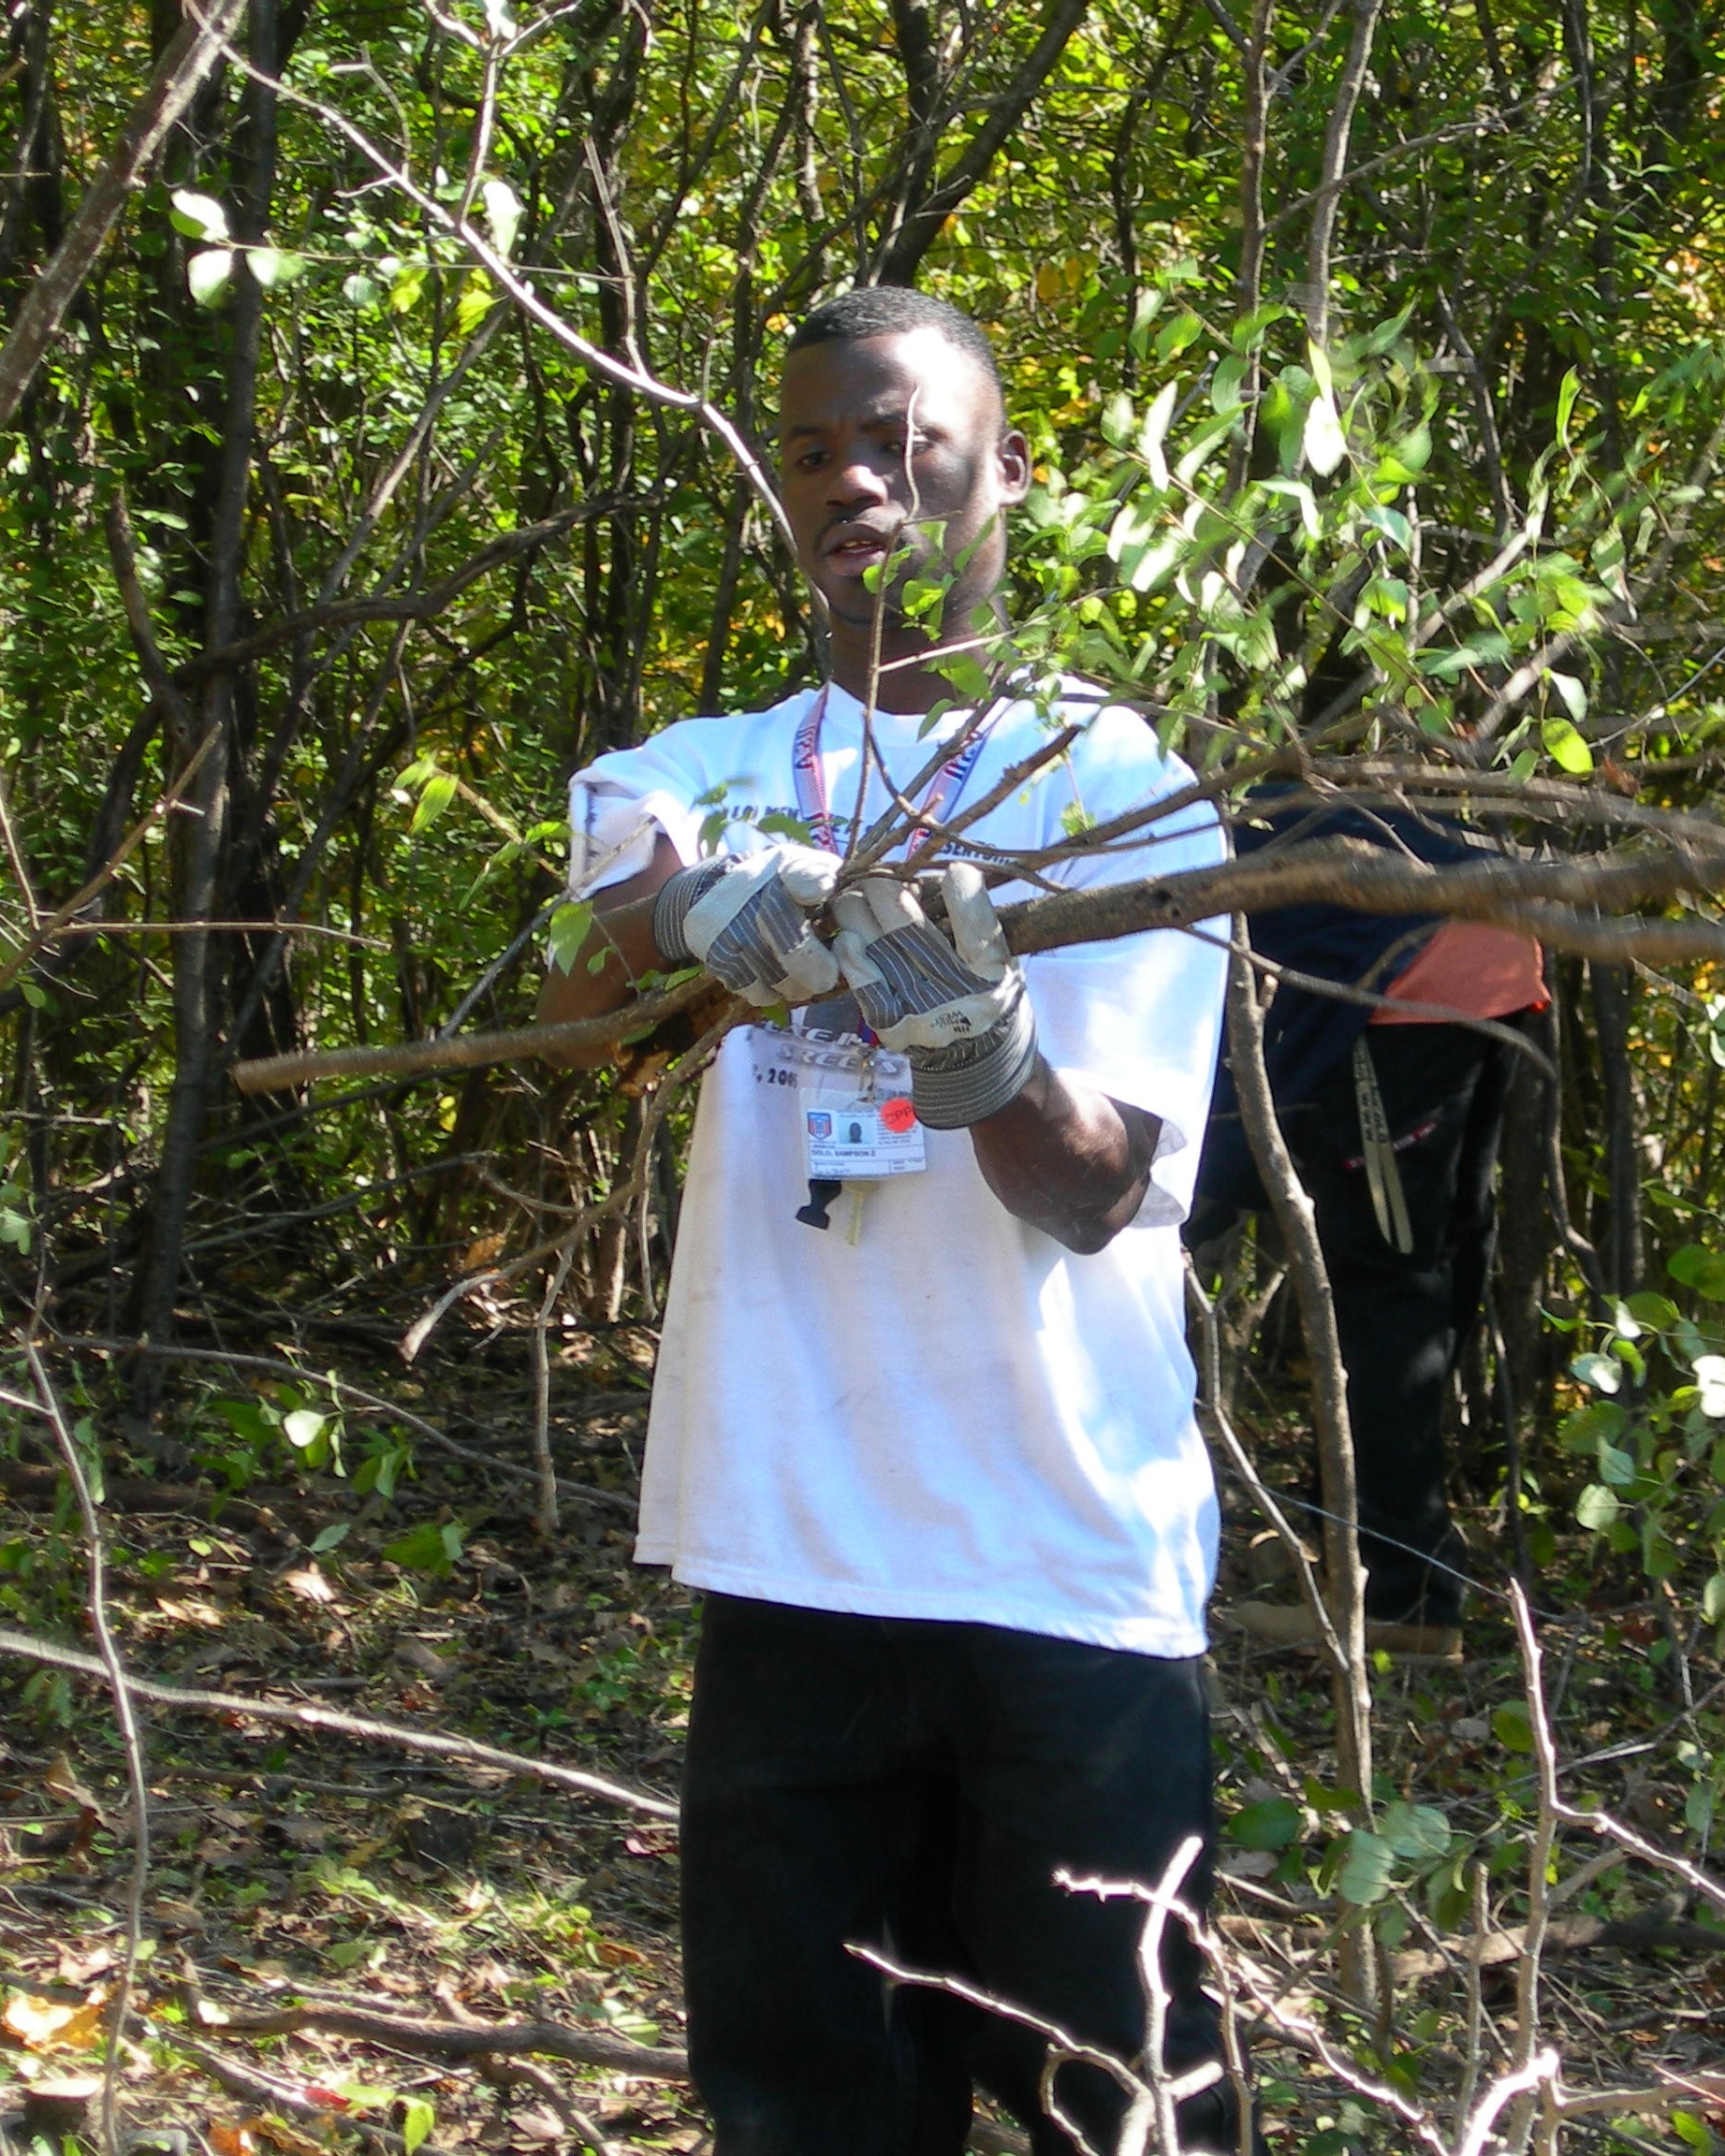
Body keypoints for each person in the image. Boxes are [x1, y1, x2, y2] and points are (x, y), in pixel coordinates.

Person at [534, 286, 1234, 2152]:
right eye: (815, 448)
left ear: (1006, 468)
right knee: (806, 2109)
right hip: (792, 1549)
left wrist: (983, 1045)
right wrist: (687, 913)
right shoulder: (712, 761)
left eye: (902, 435)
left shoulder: (1119, 793)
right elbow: (606, 903)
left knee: (1129, 2108)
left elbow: (1103, 1192)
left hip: (1060, 1566)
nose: (854, 477)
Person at [1187, 794, 1544, 1662]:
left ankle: (1400, 1592)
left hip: (1411, 973)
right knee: (1427, 1261)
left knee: (1387, 1284)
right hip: (1484, 951)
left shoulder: (1131, 811)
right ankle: (1358, 1548)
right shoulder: (1189, 795)